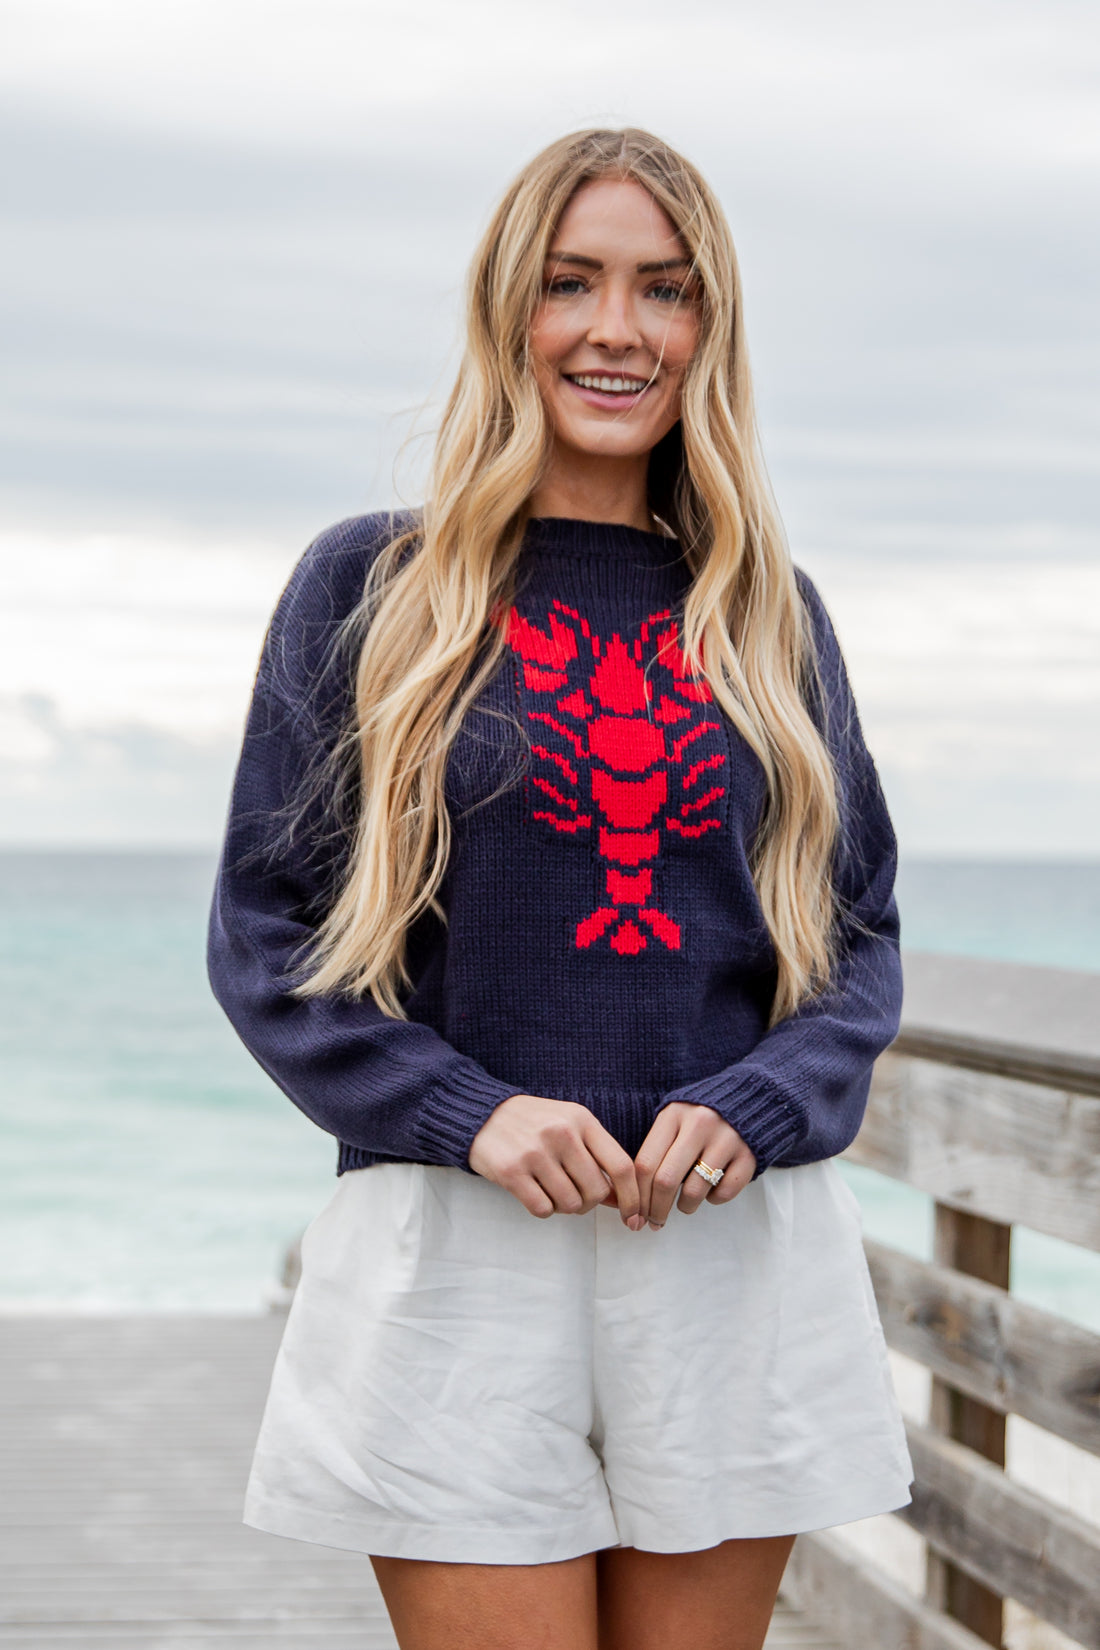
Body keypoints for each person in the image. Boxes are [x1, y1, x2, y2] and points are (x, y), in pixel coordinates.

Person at [207, 126, 914, 1650]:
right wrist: (473, 1107)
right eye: (571, 282)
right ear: (505, 311)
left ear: (706, 329)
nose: (616, 329)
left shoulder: (768, 618)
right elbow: (267, 938)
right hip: (452, 1258)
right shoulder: (372, 589)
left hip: (725, 1257)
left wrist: (765, 1100)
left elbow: (858, 941)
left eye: (663, 290)